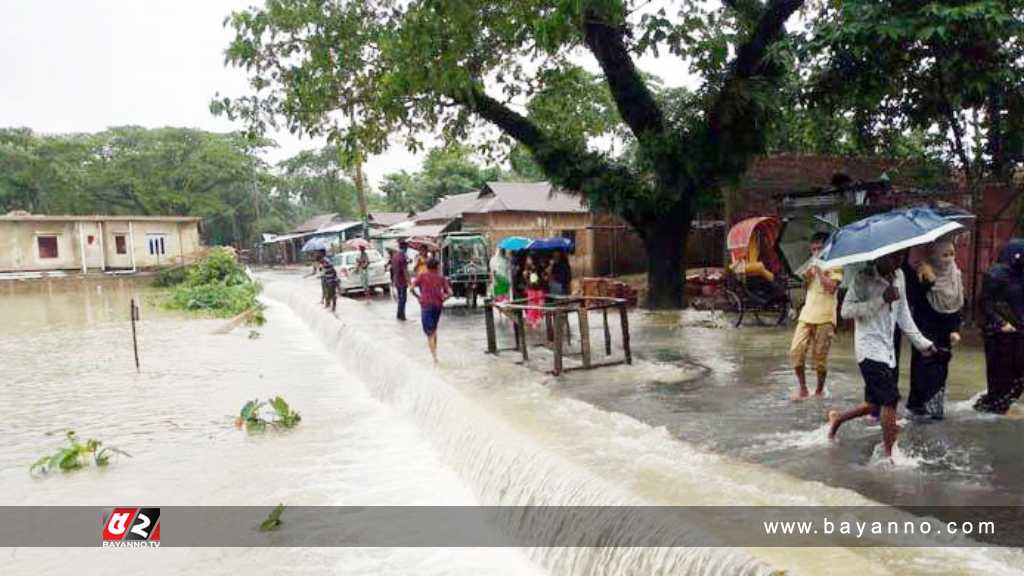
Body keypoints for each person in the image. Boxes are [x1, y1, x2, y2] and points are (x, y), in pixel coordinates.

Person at [828, 251, 937, 459]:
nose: (897, 262)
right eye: (892, 258)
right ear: (879, 257)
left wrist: (923, 344)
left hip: (887, 351)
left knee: (874, 404)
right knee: (890, 399)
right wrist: (880, 299)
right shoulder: (862, 278)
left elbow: (903, 315)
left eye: (900, 258)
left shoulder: (900, 277)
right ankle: (891, 456)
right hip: (868, 349)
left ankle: (838, 419)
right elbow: (845, 311)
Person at [903, 239, 964, 419]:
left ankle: (935, 409)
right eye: (944, 255)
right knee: (925, 367)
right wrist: (927, 282)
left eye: (952, 254)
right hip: (924, 329)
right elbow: (913, 299)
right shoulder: (923, 272)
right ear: (933, 256)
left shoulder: (956, 275)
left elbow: (958, 304)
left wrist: (955, 329)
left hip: (946, 333)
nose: (948, 259)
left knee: (941, 367)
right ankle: (919, 407)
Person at [789, 232, 843, 399]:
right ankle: (803, 388)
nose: (817, 252)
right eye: (814, 249)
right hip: (807, 314)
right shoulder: (809, 265)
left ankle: (819, 391)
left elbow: (831, 288)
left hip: (826, 316)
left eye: (820, 248)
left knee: (820, 358)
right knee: (796, 352)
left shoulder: (836, 265)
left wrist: (819, 270)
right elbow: (806, 287)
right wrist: (807, 277)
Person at [975, 239, 1024, 414]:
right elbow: (984, 303)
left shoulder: (1020, 275)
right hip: (999, 335)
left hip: (1017, 332)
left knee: (1018, 378)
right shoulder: (997, 274)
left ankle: (994, 406)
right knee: (1001, 379)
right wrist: (1000, 323)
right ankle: (989, 410)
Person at [412, 257, 452, 365]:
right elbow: (450, 293)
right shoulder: (441, 278)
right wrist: (444, 298)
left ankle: (434, 358)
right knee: (434, 330)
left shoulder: (422, 276)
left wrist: (418, 297)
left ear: (427, 266)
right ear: (437, 267)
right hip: (438, 305)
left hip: (426, 306)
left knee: (429, 333)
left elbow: (411, 288)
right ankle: (435, 354)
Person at [523, 255, 545, 328]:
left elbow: (543, 277)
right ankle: (532, 321)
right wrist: (526, 276)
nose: (527, 260)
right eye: (527, 259)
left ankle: (538, 320)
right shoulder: (527, 270)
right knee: (532, 305)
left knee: (539, 305)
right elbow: (527, 281)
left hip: (538, 289)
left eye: (529, 259)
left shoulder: (539, 268)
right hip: (531, 290)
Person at [391, 240, 410, 321]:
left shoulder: (395, 256)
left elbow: (393, 268)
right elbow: (404, 270)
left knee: (400, 298)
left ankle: (399, 314)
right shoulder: (402, 257)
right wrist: (408, 281)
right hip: (402, 280)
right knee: (403, 298)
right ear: (405, 247)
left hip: (396, 279)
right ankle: (402, 315)